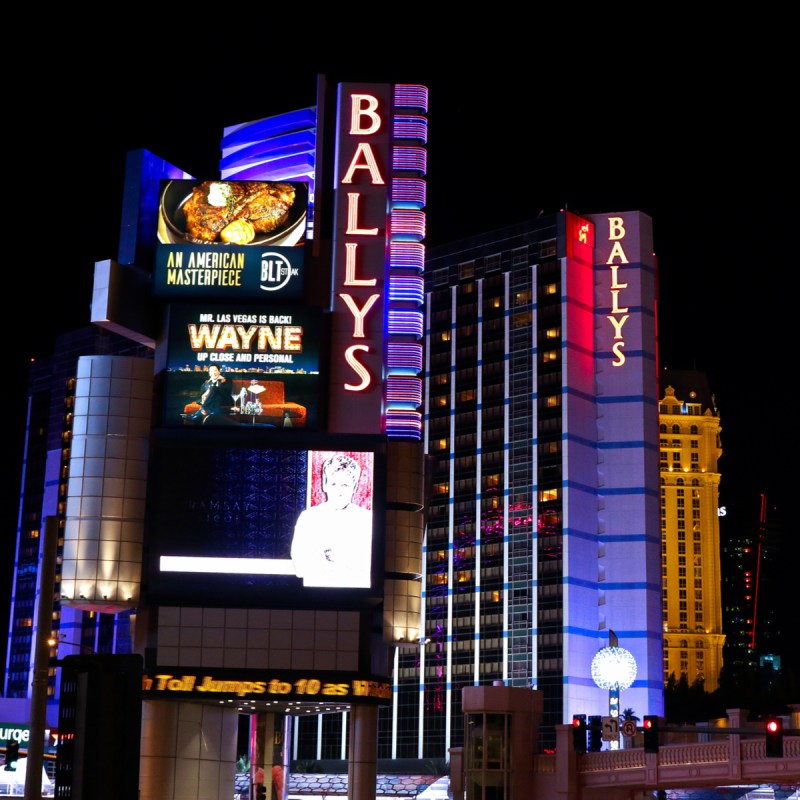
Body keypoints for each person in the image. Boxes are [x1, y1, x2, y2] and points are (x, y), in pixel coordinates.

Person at [290, 454, 372, 587]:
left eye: (345, 485)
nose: (338, 491)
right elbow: (300, 565)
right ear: (325, 484)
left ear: (355, 487)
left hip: (354, 593)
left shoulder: (367, 520)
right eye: (334, 484)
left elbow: (369, 565)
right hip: (314, 595)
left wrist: (336, 558)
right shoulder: (309, 518)